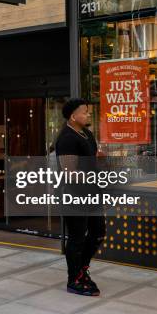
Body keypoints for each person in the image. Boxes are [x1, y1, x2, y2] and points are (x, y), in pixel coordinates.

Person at [55, 98, 106, 296]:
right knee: (76, 238)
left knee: (98, 233)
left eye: (88, 111)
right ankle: (73, 279)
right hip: (73, 195)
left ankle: (82, 270)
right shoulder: (67, 138)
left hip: (91, 193)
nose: (87, 114)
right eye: (84, 112)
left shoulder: (87, 133)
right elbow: (70, 173)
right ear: (73, 116)